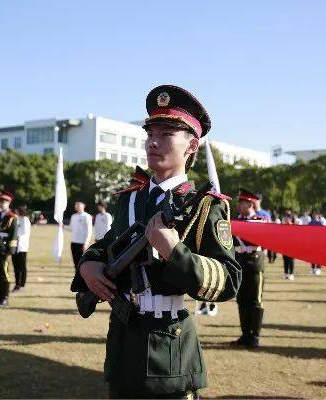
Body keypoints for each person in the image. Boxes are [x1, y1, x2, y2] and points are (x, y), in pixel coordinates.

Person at [71, 85, 240, 398]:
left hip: (170, 349)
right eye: (150, 133)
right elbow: (108, 245)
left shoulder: (205, 205)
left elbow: (228, 279)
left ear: (191, 145)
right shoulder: (131, 199)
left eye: (166, 134)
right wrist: (89, 265)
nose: (153, 142)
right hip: (123, 342)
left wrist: (175, 252)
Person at [232, 190, 266, 348]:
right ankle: (245, 334)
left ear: (250, 204)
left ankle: (255, 336)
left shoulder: (260, 221)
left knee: (255, 301)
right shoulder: (234, 221)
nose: (238, 205)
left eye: (242, 203)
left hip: (254, 264)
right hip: (240, 264)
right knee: (242, 301)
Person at [65, 201, 93, 271]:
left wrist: (86, 243)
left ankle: (83, 277)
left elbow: (89, 231)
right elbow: (71, 228)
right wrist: (62, 226)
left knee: (82, 262)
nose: (77, 207)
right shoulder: (73, 216)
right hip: (74, 242)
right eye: (76, 205)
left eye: (79, 205)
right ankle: (77, 277)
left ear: (83, 206)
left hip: (82, 243)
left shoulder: (87, 216)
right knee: (76, 262)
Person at [12, 205, 31, 292]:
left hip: (22, 247)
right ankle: (17, 284)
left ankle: (22, 285)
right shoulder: (16, 219)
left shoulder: (25, 220)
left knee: (21, 266)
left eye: (16, 210)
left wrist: (14, 236)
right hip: (14, 246)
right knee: (16, 266)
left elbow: (23, 233)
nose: (15, 212)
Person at [282, 212, 295, 280]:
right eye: (286, 217)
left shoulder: (294, 226)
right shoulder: (283, 226)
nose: (286, 219)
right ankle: (286, 273)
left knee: (291, 260)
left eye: (288, 218)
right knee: (285, 260)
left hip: (292, 246)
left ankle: (291, 274)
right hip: (284, 245)